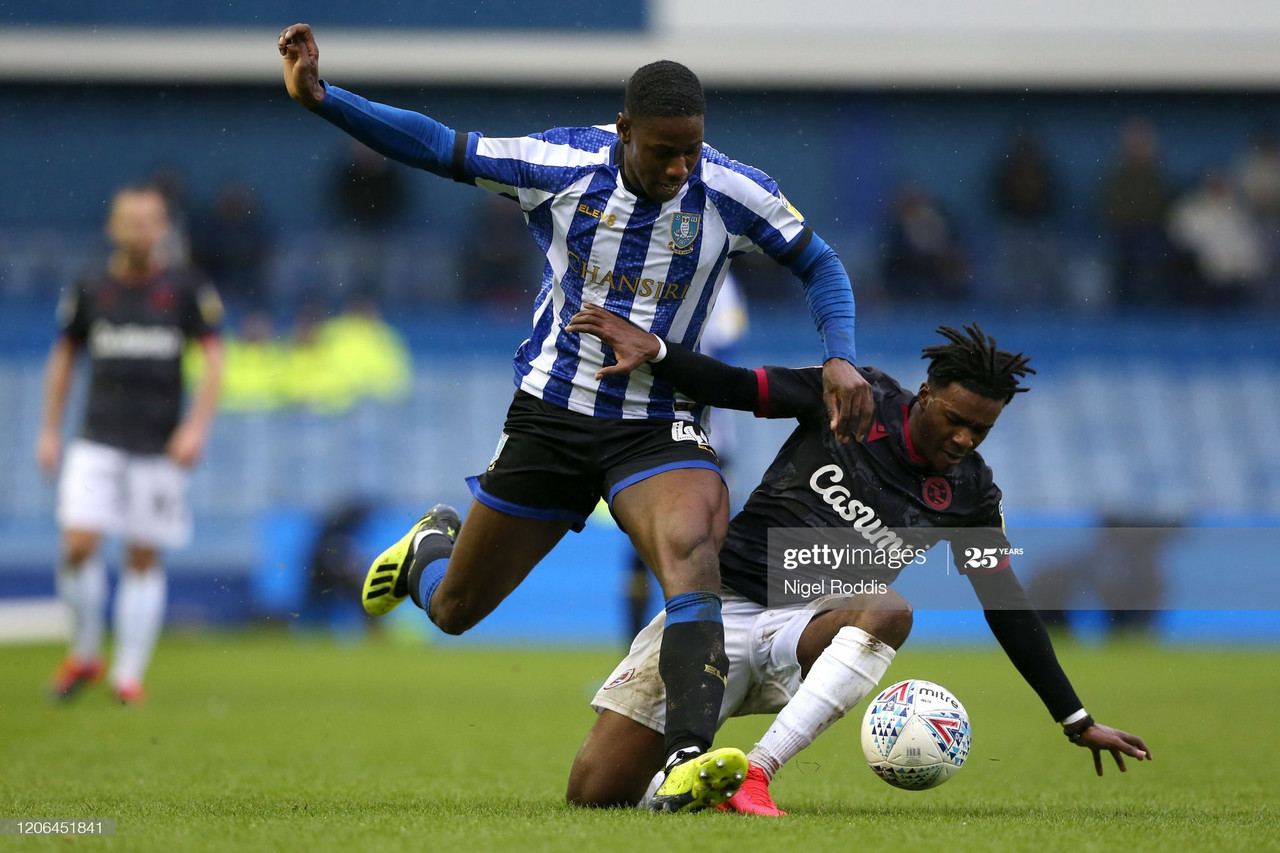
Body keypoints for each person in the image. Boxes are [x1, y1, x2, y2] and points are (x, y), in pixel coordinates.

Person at [278, 22, 873, 812]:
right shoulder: (562, 165)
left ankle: (690, 758)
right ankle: (430, 549)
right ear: (623, 130)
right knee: (456, 609)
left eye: (690, 150)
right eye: (663, 150)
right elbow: (438, 145)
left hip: (658, 422)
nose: (678, 167)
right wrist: (324, 100)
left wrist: (840, 352)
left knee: (694, 553)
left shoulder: (729, 190)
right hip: (553, 416)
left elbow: (819, 261)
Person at [563, 304, 1151, 815]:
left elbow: (1006, 604)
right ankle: (683, 789)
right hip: (719, 611)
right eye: (957, 420)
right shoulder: (852, 398)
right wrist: (660, 354)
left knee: (888, 608)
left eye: (982, 429)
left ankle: (759, 773)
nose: (966, 439)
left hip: (811, 628)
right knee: (595, 797)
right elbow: (739, 387)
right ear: (926, 396)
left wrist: (1075, 720)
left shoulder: (972, 495)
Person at [35, 183, 225, 705]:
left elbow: (214, 357)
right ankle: (86, 652)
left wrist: (196, 427)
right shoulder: (91, 285)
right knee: (78, 545)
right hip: (96, 437)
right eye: (132, 221)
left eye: (151, 220)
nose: (142, 230)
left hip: (158, 445)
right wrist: (50, 428)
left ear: (164, 227)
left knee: (143, 557)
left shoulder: (186, 287)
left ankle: (128, 675)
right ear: (113, 228)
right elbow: (64, 357)